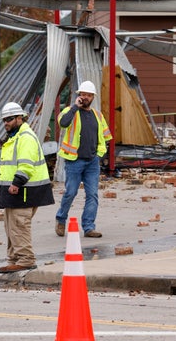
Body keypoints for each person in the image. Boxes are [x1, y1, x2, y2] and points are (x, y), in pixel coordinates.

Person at [0, 102, 54, 273]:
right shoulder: (15, 137)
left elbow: (26, 165)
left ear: (20, 118)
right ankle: (14, 259)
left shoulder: (26, 137)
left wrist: (16, 183)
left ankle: (26, 259)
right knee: (11, 226)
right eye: (4, 120)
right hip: (13, 191)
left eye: (9, 119)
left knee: (19, 225)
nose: (6, 122)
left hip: (24, 190)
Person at [55, 80, 113, 239]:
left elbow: (105, 137)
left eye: (88, 95)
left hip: (92, 162)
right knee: (71, 192)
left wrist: (100, 156)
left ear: (93, 97)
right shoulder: (69, 111)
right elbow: (64, 123)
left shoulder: (98, 115)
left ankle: (89, 227)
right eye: (83, 94)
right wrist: (75, 107)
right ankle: (61, 219)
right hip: (74, 161)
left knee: (92, 194)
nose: (85, 97)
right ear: (79, 95)